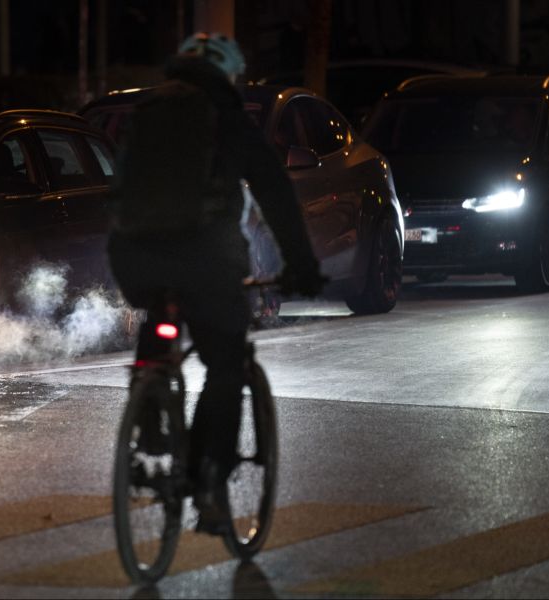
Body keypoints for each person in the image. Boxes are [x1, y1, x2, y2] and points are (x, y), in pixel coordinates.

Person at [107, 32, 325, 535]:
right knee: (226, 364)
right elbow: (274, 191)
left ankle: (148, 405)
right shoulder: (228, 118)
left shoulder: (146, 111)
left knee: (159, 313)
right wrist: (302, 266)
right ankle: (207, 482)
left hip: (131, 254)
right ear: (229, 76)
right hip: (205, 257)